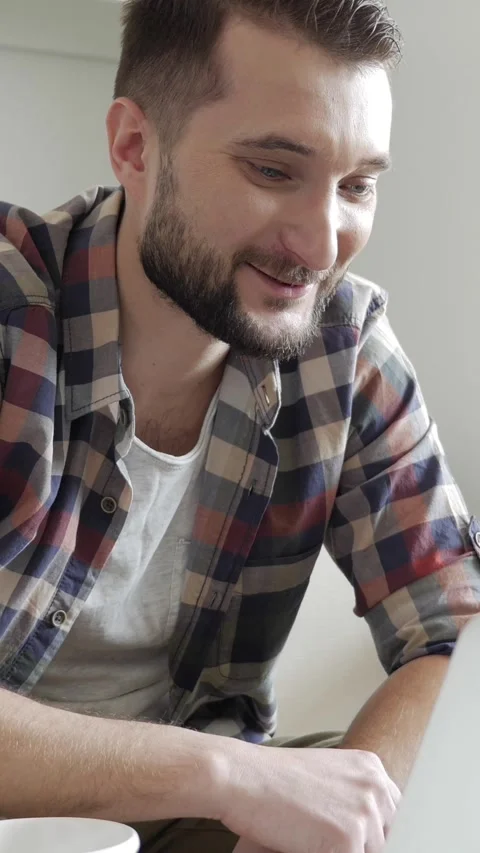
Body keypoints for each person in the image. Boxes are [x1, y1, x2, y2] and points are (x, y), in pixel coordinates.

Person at [1, 0, 479, 851]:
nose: (322, 240)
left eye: (358, 184)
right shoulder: (13, 320)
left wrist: (336, 822)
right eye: (272, 169)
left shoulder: (345, 346)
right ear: (135, 146)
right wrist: (227, 776)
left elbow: (456, 628)